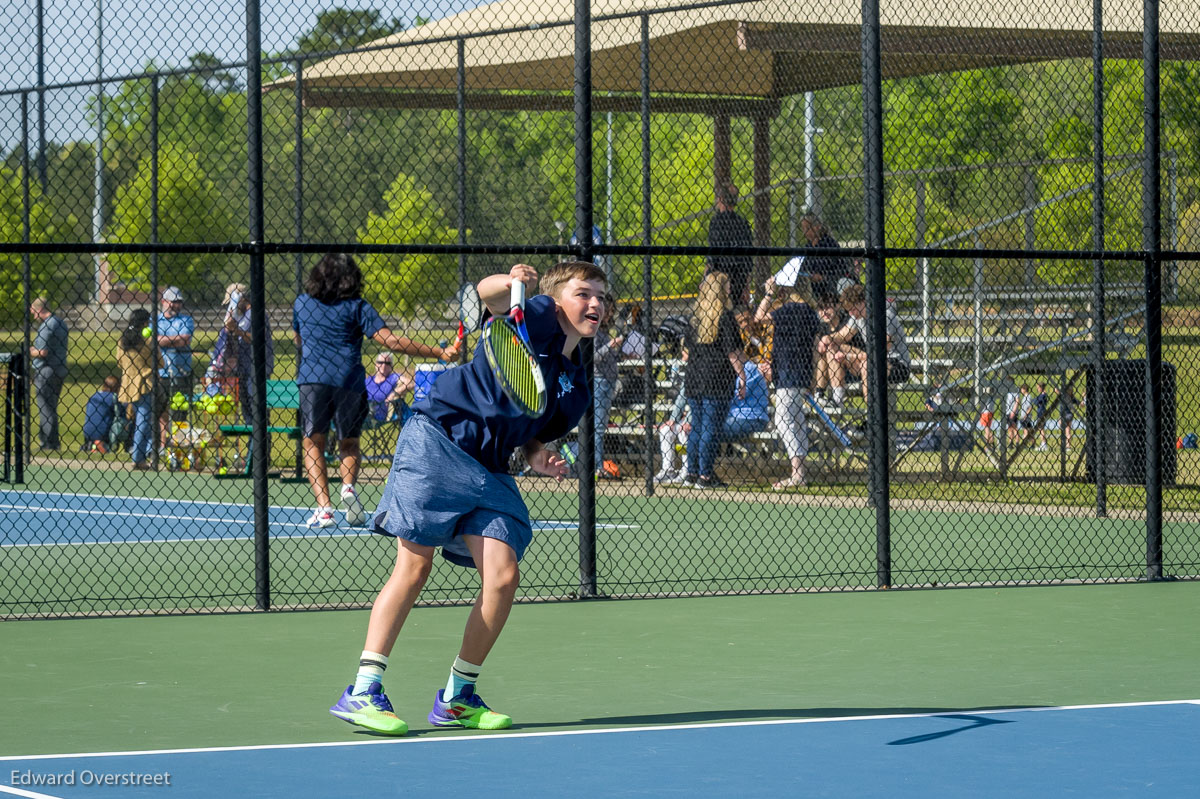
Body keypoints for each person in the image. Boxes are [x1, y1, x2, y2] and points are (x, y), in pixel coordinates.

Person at [328, 260, 607, 736]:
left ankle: (458, 697)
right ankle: (363, 690)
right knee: (414, 566)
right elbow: (487, 294)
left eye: (601, 296)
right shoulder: (536, 314)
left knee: (503, 577)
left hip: (491, 467)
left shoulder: (575, 383)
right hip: (440, 439)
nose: (596, 304)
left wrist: (538, 455)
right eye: (583, 293)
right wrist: (514, 283)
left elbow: (534, 429)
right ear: (559, 300)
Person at [293, 253, 460, 530]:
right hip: (350, 381)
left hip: (313, 381)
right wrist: (440, 352)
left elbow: (298, 338)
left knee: (313, 442)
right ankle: (348, 488)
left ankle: (324, 508)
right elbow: (391, 341)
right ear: (351, 278)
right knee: (349, 442)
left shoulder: (302, 303)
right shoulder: (358, 306)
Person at [755, 276, 824, 489]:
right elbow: (814, 347)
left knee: (784, 421)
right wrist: (813, 377)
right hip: (802, 372)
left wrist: (769, 293)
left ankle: (798, 472)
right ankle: (800, 472)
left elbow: (758, 318)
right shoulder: (811, 313)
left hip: (787, 373)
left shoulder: (788, 309)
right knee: (797, 421)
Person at [682, 270, 747, 488]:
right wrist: (742, 375)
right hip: (716, 377)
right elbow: (732, 352)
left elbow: (686, 351)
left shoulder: (696, 318)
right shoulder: (725, 317)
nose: (730, 289)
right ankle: (705, 476)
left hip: (694, 376)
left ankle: (692, 473)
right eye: (727, 286)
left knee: (698, 425)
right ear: (721, 291)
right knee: (710, 427)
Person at [818, 284, 911, 408]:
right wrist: (827, 338)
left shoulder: (884, 315)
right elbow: (843, 335)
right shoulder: (857, 317)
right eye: (849, 310)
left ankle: (872, 416)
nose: (851, 313)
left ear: (862, 302)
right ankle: (837, 399)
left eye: (852, 309)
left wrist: (848, 356)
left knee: (867, 365)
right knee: (832, 347)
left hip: (896, 364)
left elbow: (880, 352)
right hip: (869, 359)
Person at [215, 282, 274, 426]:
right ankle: (252, 447)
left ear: (241, 298)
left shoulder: (257, 314)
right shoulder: (241, 316)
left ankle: (262, 446)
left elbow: (256, 339)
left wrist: (237, 330)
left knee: (258, 411)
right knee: (246, 411)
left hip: (257, 368)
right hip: (243, 369)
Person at [117, 308, 160, 471]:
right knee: (143, 420)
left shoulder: (122, 340)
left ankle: (139, 453)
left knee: (137, 419)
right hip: (144, 383)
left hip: (127, 383)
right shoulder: (148, 341)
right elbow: (159, 362)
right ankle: (138, 458)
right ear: (144, 323)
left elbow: (119, 361)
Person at [155, 286, 195, 447]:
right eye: (173, 302)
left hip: (181, 372)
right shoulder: (156, 320)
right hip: (161, 372)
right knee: (161, 411)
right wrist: (174, 340)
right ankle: (163, 446)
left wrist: (163, 340)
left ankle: (180, 446)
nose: (176, 305)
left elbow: (185, 340)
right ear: (164, 302)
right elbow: (153, 340)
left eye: (179, 302)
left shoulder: (186, 320)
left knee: (180, 412)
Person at [28, 297, 69, 451]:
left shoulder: (47, 326)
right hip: (60, 368)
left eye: (33, 310)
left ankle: (49, 443)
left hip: (46, 369)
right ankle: (49, 440)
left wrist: (30, 351)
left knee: (45, 407)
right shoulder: (60, 322)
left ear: (39, 309)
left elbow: (43, 352)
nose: (32, 314)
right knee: (51, 406)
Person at [707, 182, 753, 307]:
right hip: (739, 280)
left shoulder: (716, 222)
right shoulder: (743, 224)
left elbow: (712, 257)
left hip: (719, 280)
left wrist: (705, 280)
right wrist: (746, 286)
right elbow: (748, 260)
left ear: (720, 199)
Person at [592, 296, 622, 480]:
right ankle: (596, 466)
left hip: (608, 381)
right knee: (598, 427)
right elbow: (593, 358)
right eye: (608, 310)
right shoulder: (594, 331)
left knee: (600, 426)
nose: (610, 315)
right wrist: (611, 345)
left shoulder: (603, 331)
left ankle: (597, 464)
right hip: (600, 381)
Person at [800, 212, 852, 304]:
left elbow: (840, 268)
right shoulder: (807, 247)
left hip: (831, 286)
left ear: (818, 226)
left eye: (808, 228)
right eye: (803, 228)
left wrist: (823, 277)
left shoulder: (829, 244)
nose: (805, 232)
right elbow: (804, 268)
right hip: (813, 287)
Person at [364, 352, 414, 426]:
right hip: (364, 411)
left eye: (387, 363)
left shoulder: (393, 377)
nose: (383, 366)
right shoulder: (368, 380)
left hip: (379, 414)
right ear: (375, 364)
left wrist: (394, 393)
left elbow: (410, 383)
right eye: (380, 362)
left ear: (391, 366)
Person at [82, 376, 121, 453]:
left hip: (87, 431)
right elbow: (121, 413)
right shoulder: (112, 397)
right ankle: (102, 445)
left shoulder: (94, 396)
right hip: (102, 431)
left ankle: (93, 446)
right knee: (122, 422)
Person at [1034, 381, 1049, 450]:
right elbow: (1035, 401)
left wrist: (1036, 401)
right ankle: (1043, 443)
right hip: (1040, 412)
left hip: (1041, 413)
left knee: (1041, 429)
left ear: (1041, 388)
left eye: (1038, 388)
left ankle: (1044, 444)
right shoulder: (1042, 395)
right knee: (1041, 429)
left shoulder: (1043, 395)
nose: (1037, 389)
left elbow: (1036, 401)